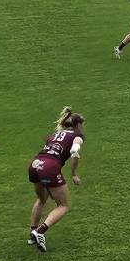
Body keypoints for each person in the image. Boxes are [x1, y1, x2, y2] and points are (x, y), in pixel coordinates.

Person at [28, 106, 85, 252]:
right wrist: (73, 173)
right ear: (78, 125)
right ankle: (40, 232)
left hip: (35, 163)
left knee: (42, 199)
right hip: (50, 167)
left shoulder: (55, 134)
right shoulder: (77, 135)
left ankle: (32, 234)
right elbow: (74, 151)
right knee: (63, 205)